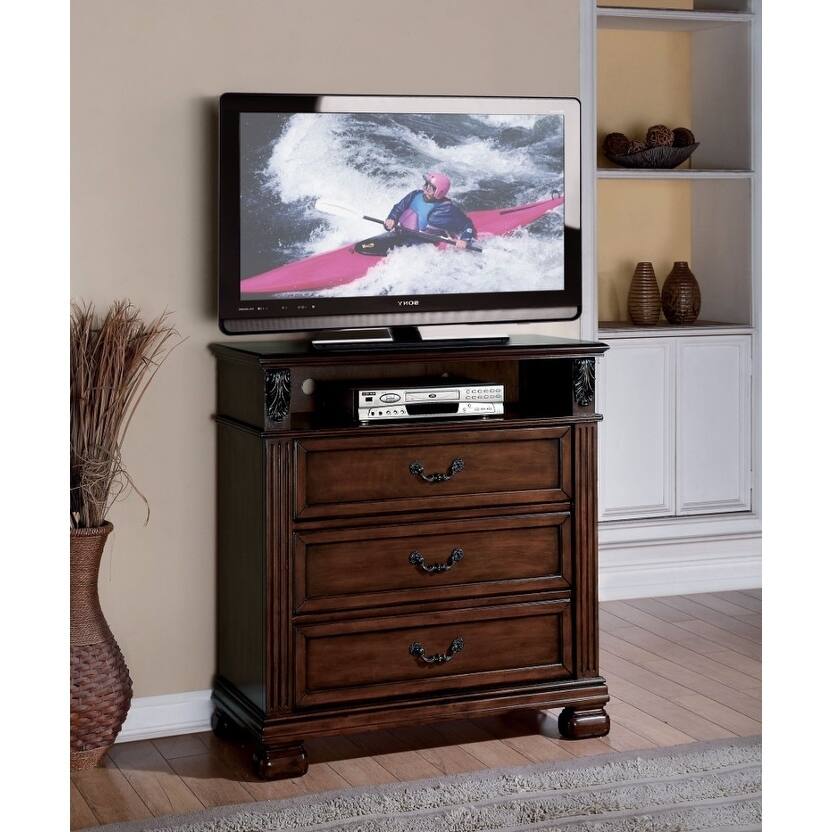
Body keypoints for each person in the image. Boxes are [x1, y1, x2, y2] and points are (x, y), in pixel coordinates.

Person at [383, 172, 476, 249]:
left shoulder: (446, 210)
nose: (426, 189)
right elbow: (398, 208)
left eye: (430, 187)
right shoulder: (415, 195)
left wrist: (465, 240)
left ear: (439, 191)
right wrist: (392, 218)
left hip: (419, 245)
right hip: (401, 234)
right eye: (426, 184)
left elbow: (467, 225)